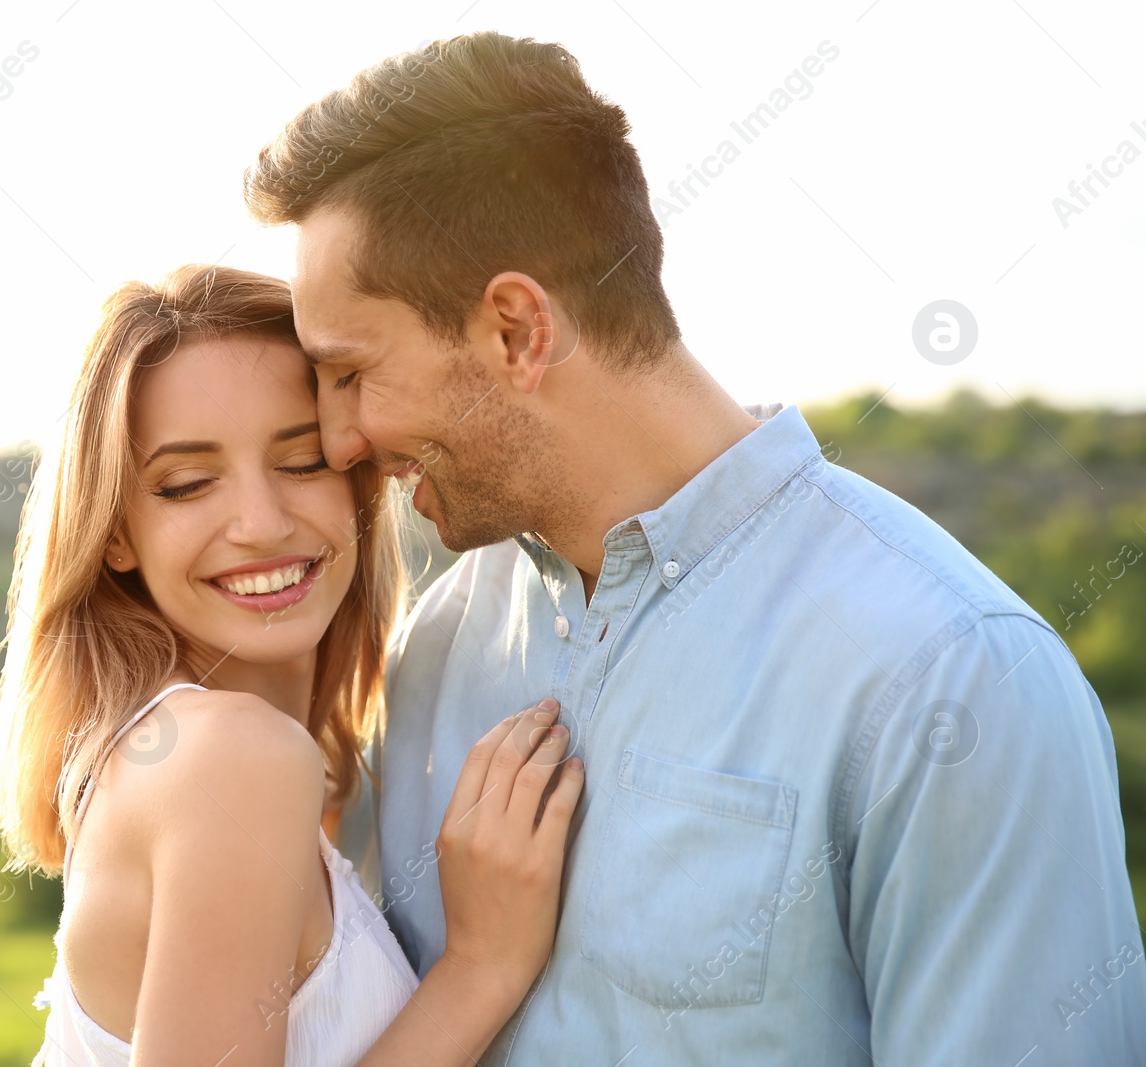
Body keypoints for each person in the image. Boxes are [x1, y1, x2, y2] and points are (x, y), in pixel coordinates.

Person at [244, 30, 1145, 1066]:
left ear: (515, 331)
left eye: (352, 372)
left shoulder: (951, 674)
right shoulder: (435, 645)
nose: (341, 438)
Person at [0, 263, 586, 1067]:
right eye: (187, 484)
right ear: (116, 533)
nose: (261, 524)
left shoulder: (185, 748)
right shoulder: (232, 758)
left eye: (302, 463)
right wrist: (481, 968)